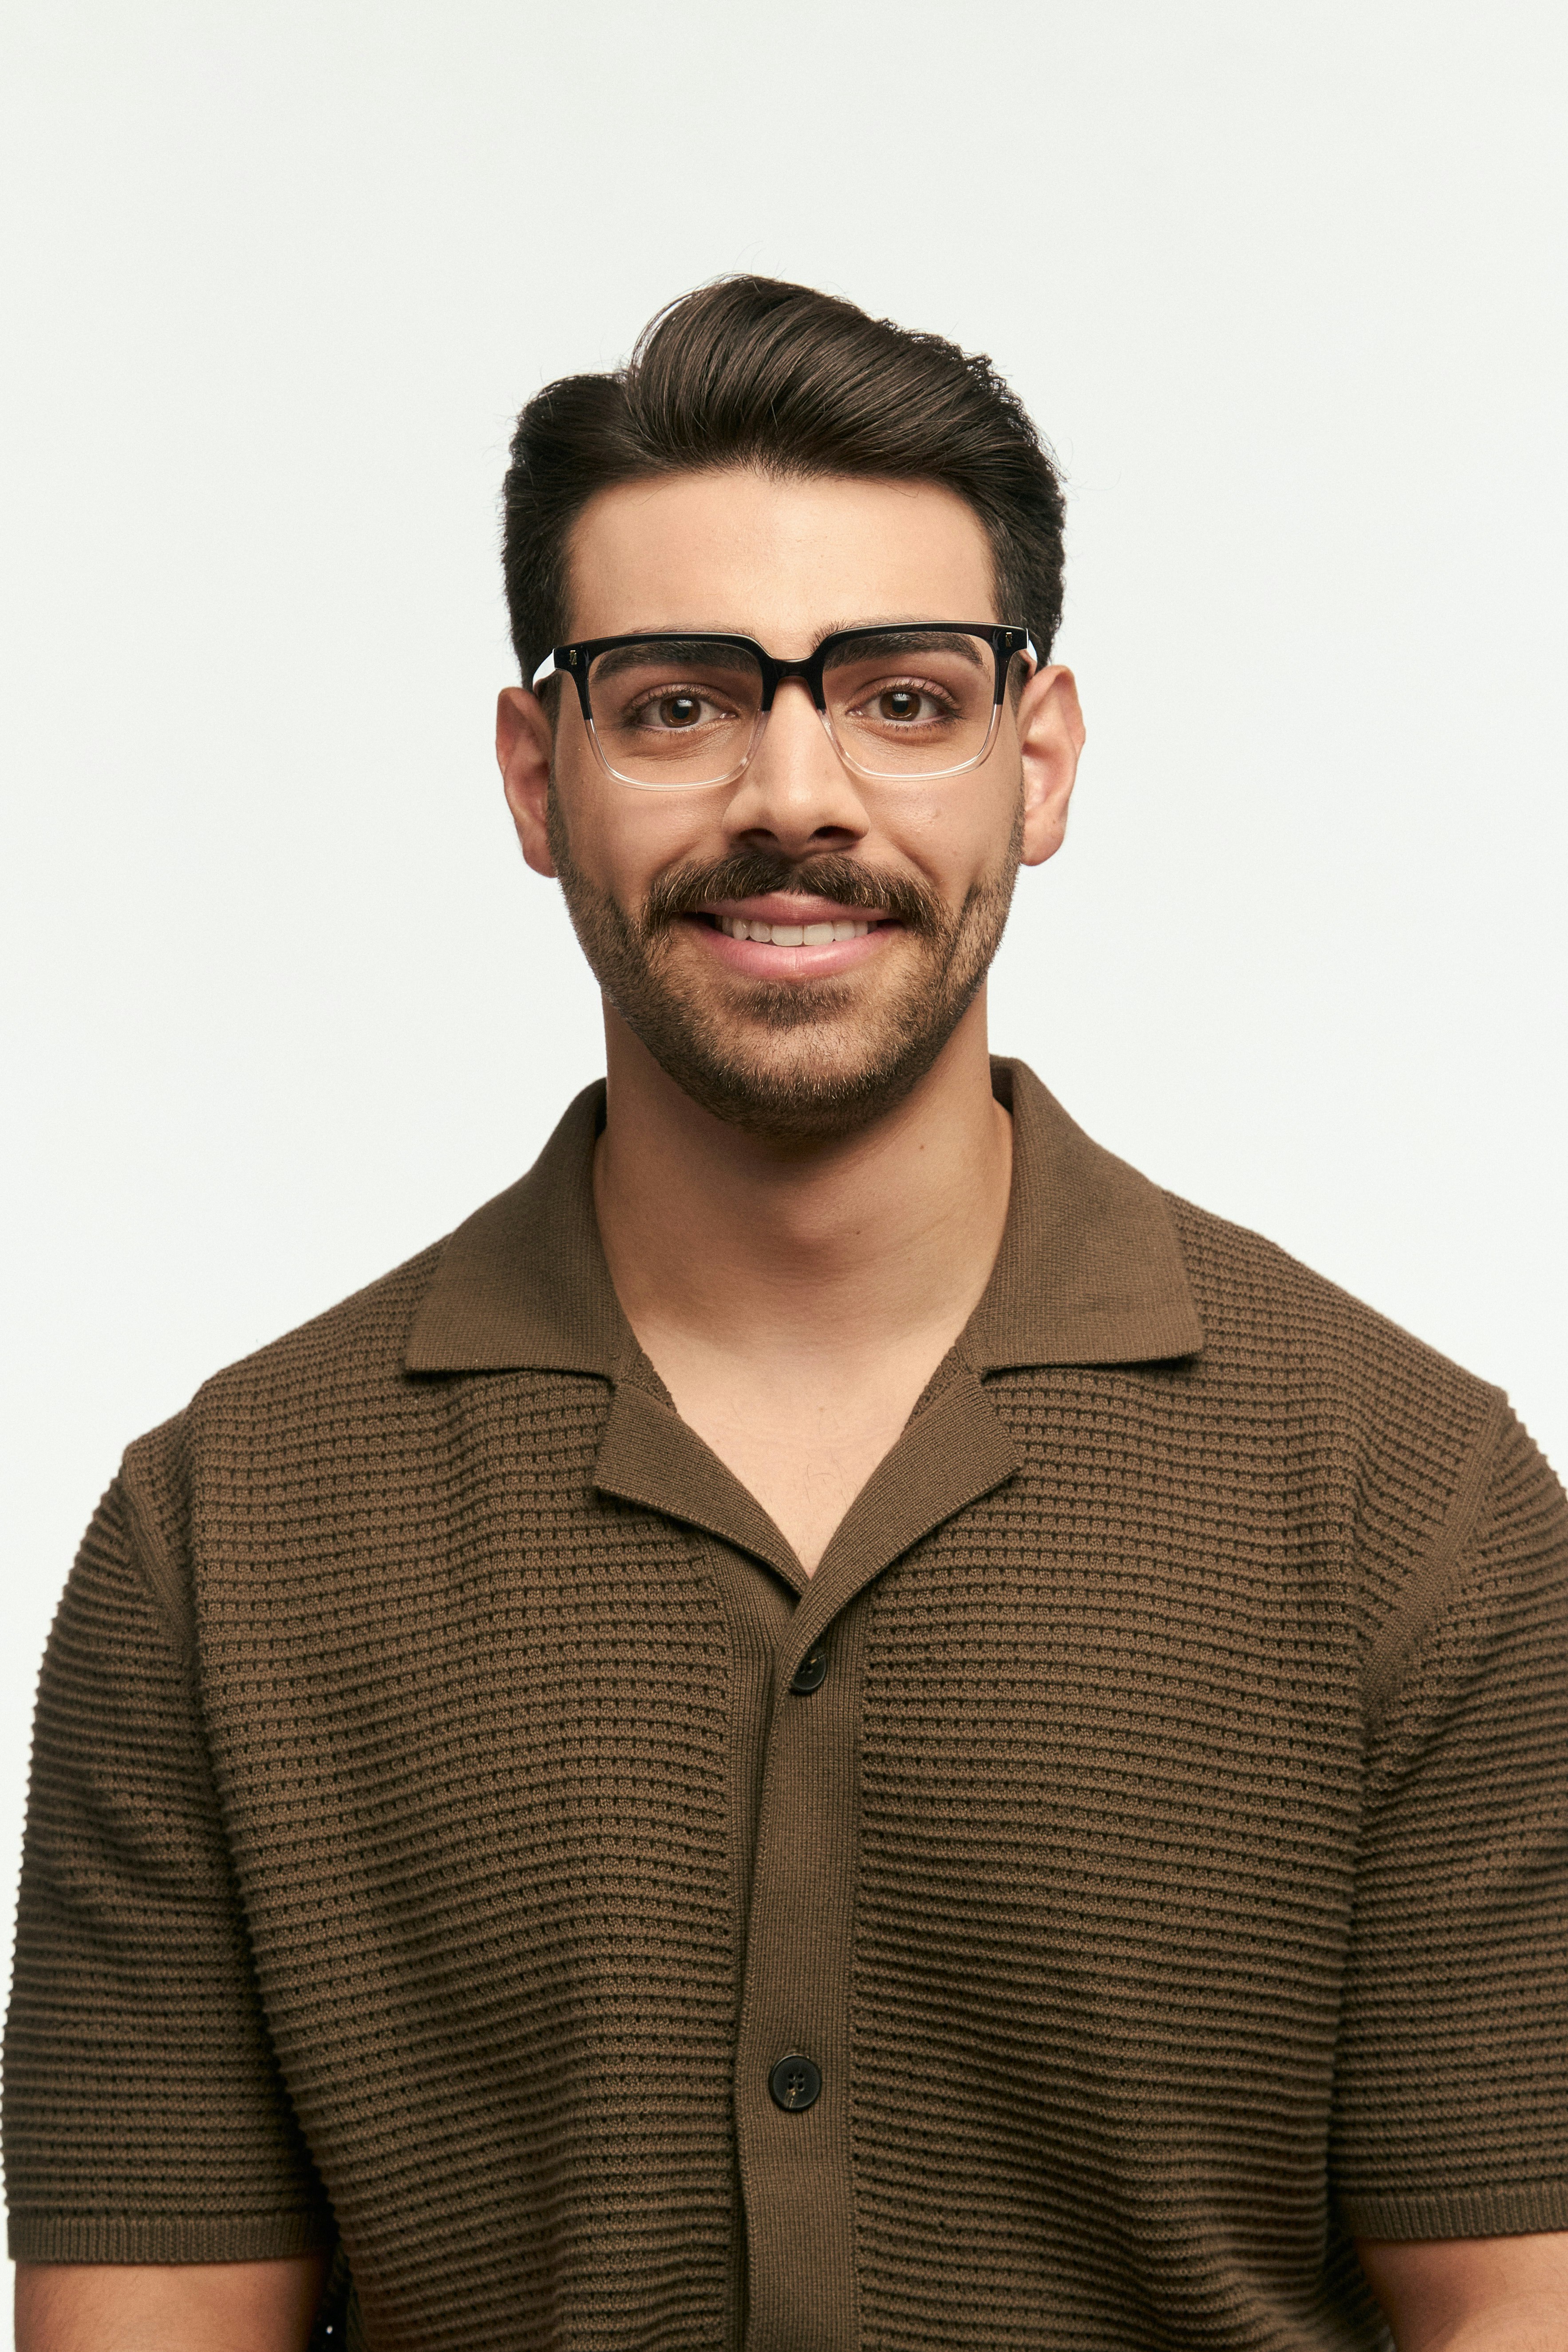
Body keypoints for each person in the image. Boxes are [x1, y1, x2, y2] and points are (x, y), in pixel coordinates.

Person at [6, 276, 1566, 2352]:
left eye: (903, 697)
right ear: (536, 771)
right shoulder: (226, 1538)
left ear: (1040, 757)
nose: (794, 790)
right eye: (677, 700)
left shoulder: (1408, 1501)